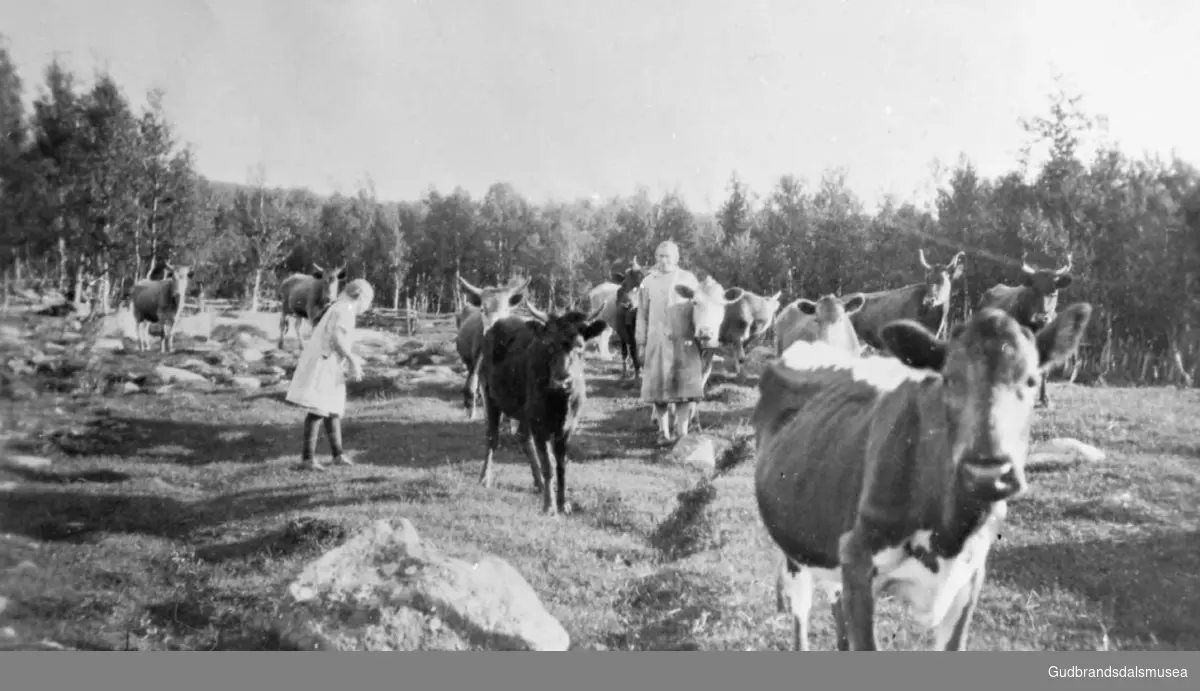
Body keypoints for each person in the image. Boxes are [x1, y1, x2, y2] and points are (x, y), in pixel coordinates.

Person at [285, 278, 375, 471]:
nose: (367, 307)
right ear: (360, 297)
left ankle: (337, 454)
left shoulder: (339, 306)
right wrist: (352, 360)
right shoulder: (346, 309)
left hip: (329, 362)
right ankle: (307, 459)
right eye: (368, 301)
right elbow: (337, 338)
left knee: (332, 409)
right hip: (324, 361)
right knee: (318, 408)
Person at [635, 240, 704, 446]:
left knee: (684, 390)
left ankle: (681, 432)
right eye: (659, 256)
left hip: (684, 342)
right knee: (659, 389)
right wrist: (641, 342)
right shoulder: (648, 282)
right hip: (657, 341)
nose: (663, 260)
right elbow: (642, 314)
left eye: (667, 256)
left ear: (676, 258)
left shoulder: (688, 279)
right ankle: (662, 432)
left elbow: (699, 309)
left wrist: (703, 334)